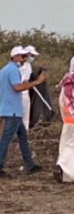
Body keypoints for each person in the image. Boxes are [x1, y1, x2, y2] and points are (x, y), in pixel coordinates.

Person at [1, 47, 46, 178]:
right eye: (22, 56)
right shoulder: (13, 70)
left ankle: (30, 165)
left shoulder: (4, 70)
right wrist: (37, 82)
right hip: (13, 111)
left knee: (22, 137)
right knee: (6, 139)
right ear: (15, 57)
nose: (25, 59)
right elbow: (17, 87)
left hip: (9, 109)